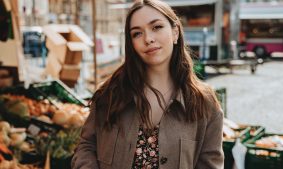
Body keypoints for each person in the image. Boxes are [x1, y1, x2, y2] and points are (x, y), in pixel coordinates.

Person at [71, 0, 224, 168]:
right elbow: (86, 146)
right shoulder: (110, 94)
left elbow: (210, 164)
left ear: (175, 32)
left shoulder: (205, 103)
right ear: (131, 44)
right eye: (137, 33)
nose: (148, 39)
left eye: (156, 27)